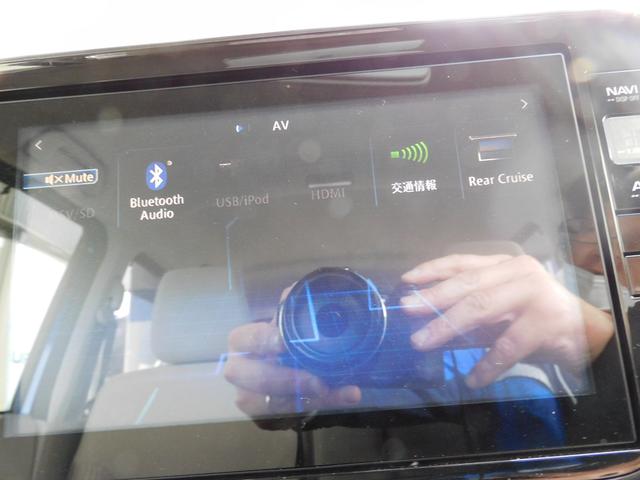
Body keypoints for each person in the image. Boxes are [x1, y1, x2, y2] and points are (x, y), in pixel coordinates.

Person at [224, 253, 614, 430]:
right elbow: (364, 401)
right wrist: (293, 392)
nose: (348, 324)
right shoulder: (401, 371)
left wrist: (595, 338)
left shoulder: (506, 318)